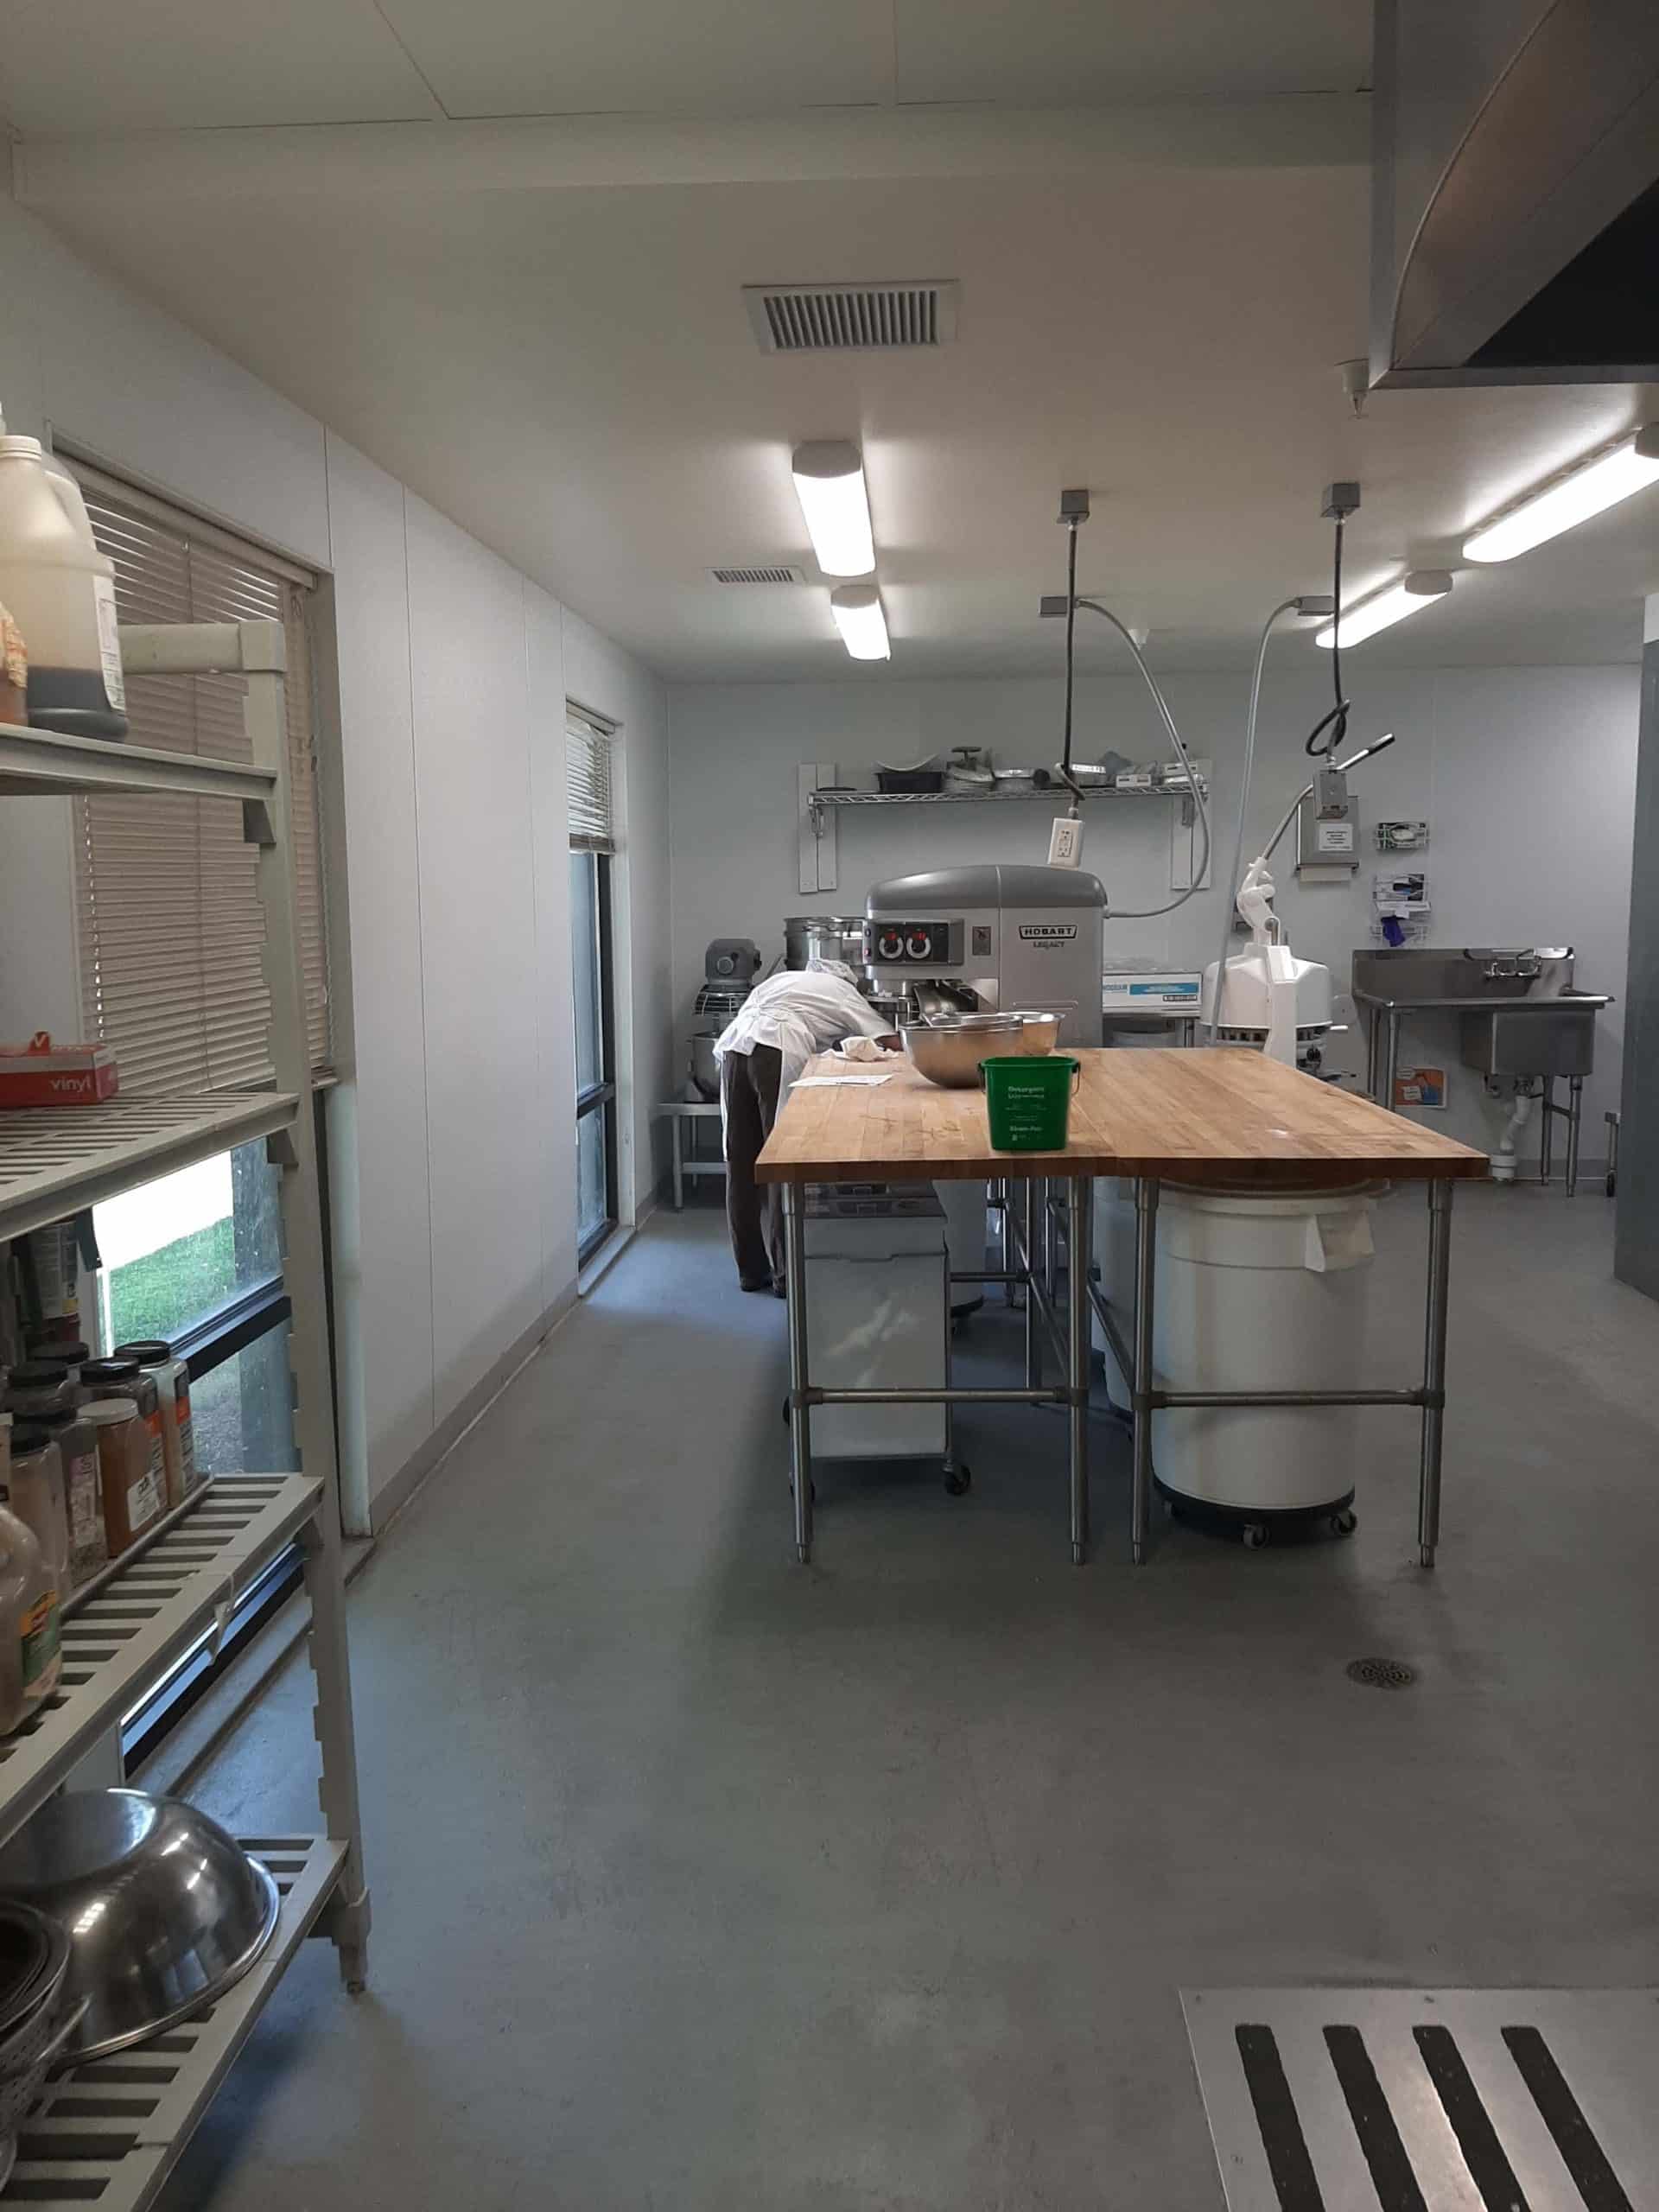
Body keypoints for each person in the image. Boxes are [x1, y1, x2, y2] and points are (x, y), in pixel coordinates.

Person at [715, 958, 899, 1292]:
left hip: (734, 1049)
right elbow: (887, 1038)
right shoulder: (842, 990)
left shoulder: (782, 980)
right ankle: (785, 1275)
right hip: (775, 1050)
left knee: (740, 1164)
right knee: (780, 1162)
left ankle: (750, 1272)